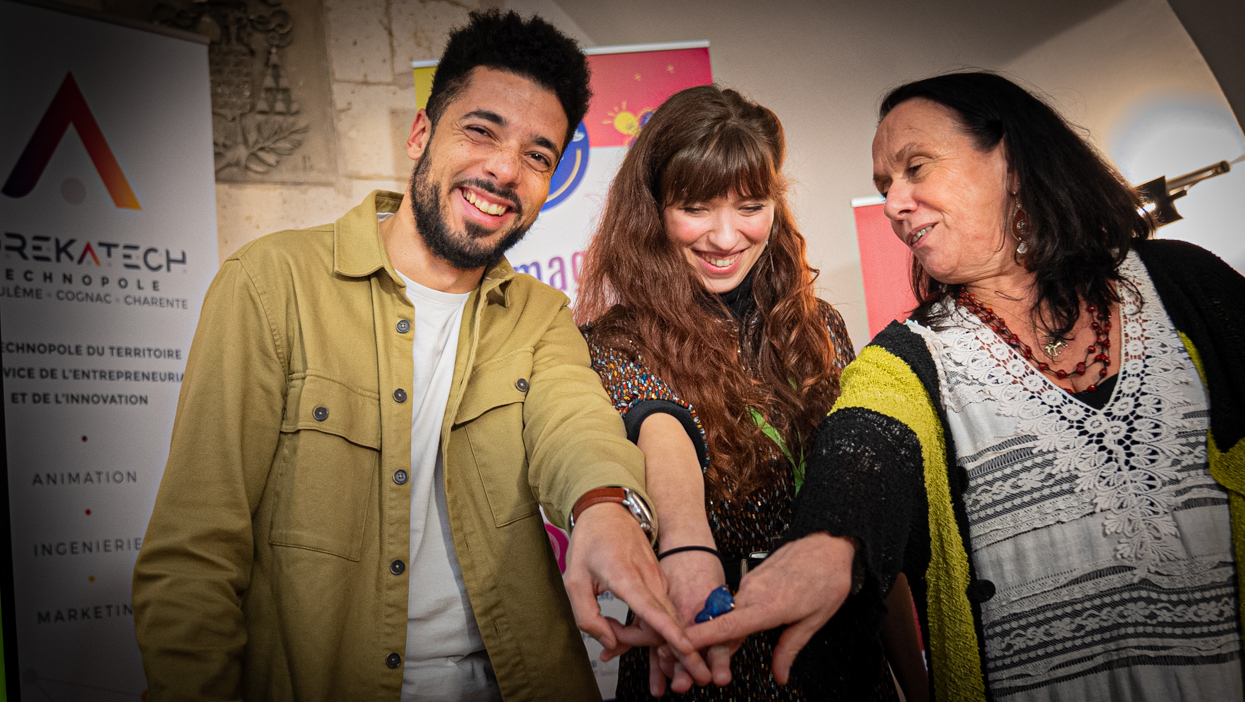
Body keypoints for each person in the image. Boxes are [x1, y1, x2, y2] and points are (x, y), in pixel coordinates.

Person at [132, 10, 710, 702]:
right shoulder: (270, 284)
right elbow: (195, 553)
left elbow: (575, 425)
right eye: (481, 131)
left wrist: (604, 507)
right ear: (420, 134)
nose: (504, 169)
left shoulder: (540, 314)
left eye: (537, 156)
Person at [687, 71, 1245, 701]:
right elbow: (860, 455)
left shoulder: (1187, 287)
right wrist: (828, 540)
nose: (893, 204)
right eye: (885, 187)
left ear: (1011, 160)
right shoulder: (905, 363)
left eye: (915, 168)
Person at [575, 85, 911, 701]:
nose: (727, 237)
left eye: (751, 206)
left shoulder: (818, 326)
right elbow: (659, 425)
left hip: (843, 651)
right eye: (696, 208)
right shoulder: (617, 341)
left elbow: (860, 504)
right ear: (652, 210)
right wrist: (686, 542)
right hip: (705, 646)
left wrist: (918, 682)